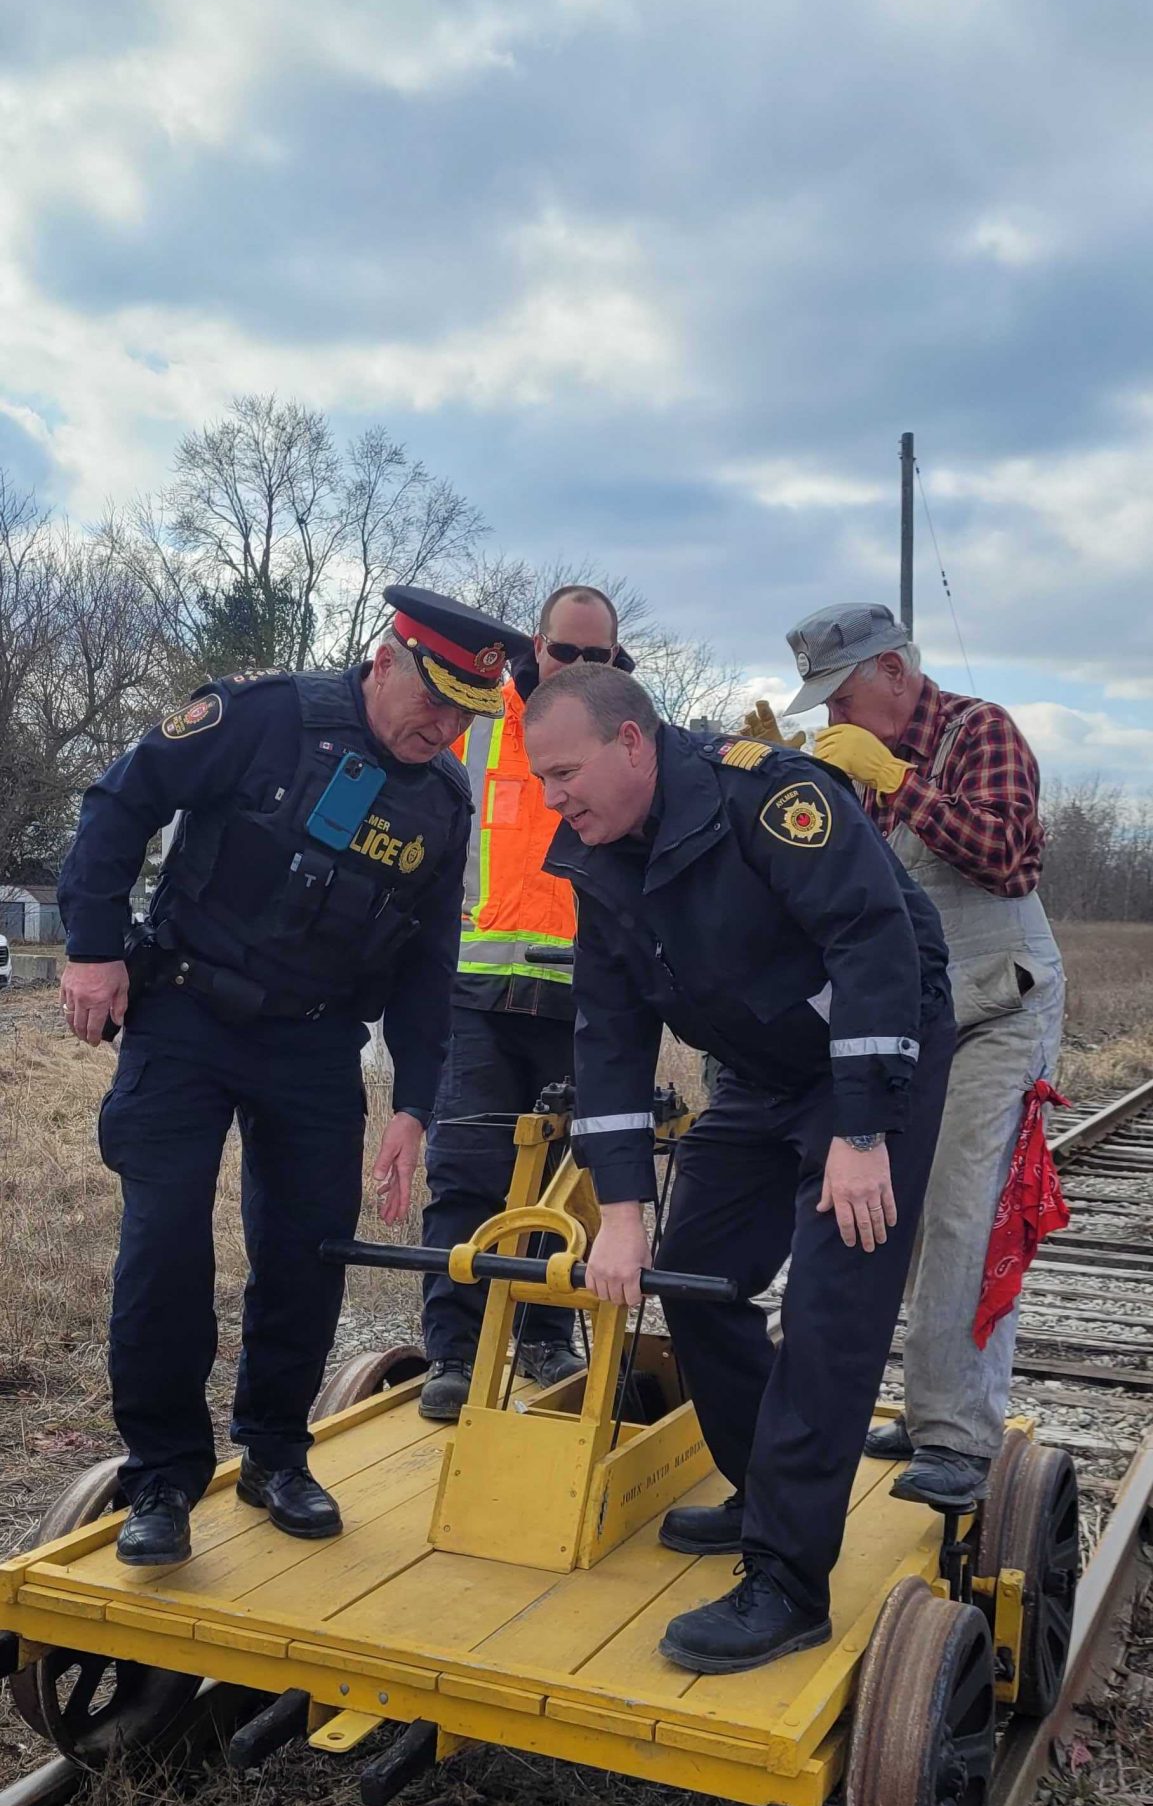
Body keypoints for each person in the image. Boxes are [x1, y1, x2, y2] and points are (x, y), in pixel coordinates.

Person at [57, 588, 523, 1569]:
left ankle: (276, 1454)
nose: (443, 730)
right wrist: (92, 947)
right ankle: (163, 1479)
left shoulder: (440, 806)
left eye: (465, 718)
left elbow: (429, 964)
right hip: (182, 1012)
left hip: (314, 1045)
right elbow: (121, 801)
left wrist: (410, 1105)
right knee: (165, 1246)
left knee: (309, 1254)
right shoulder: (264, 716)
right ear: (386, 659)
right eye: (434, 701)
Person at [522, 665, 954, 1676]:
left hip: (873, 1057)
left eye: (565, 772)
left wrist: (860, 1132)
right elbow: (610, 1034)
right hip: (762, 1069)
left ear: (632, 744)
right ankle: (765, 1491)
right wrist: (620, 1206)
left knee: (830, 1308)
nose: (552, 798)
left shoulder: (767, 794)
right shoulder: (597, 855)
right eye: (541, 779)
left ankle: (789, 1582)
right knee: (698, 1277)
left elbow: (872, 938)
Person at [780, 601, 1065, 1508]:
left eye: (841, 699)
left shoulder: (981, 732)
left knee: (961, 1215)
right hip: (916, 1015)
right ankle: (914, 1401)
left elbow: (1008, 855)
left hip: (999, 1006)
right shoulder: (852, 763)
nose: (833, 722)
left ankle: (955, 1435)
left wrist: (895, 784)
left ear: (895, 673)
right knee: (887, 1208)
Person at [419, 585, 635, 1422]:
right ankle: (455, 1352)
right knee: (467, 1175)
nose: (578, 668)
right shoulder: (476, 727)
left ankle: (546, 1337)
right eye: (563, 652)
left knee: (569, 1188)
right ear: (532, 648)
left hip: (586, 1003)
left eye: (598, 657)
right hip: (475, 996)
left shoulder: (628, 736)